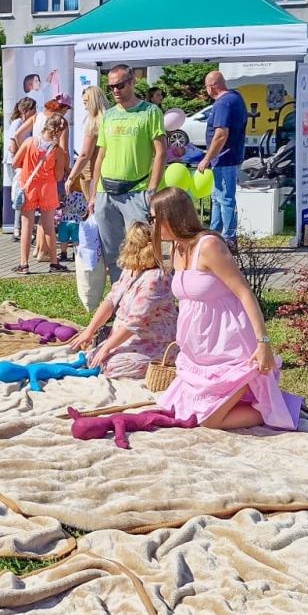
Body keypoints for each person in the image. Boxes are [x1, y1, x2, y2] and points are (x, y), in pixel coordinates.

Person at [150, 188, 302, 431]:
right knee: (182, 411)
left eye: (154, 218)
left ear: (170, 217)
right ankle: (264, 402)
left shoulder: (208, 245)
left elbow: (244, 292)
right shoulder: (177, 248)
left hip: (229, 344)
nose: (152, 225)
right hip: (200, 350)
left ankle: (279, 407)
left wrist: (263, 342)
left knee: (210, 420)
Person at [69, 222, 176, 380]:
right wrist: (89, 331)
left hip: (154, 342)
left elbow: (134, 322)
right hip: (128, 339)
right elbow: (110, 301)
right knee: (94, 357)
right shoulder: (130, 270)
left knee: (111, 365)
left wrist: (106, 348)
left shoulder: (155, 278)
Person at [91, 65, 166, 282]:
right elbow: (101, 155)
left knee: (141, 251)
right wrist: (93, 194)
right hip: (106, 192)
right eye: (111, 87)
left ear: (133, 83)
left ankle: (144, 293)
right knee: (112, 253)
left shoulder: (150, 112)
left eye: (120, 85)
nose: (115, 90)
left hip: (136, 191)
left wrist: (151, 190)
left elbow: (161, 152)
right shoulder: (109, 116)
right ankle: (119, 293)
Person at [12, 110, 69, 274]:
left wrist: (28, 167)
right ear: (58, 131)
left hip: (29, 186)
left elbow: (15, 163)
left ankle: (24, 264)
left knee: (26, 226)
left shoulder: (29, 142)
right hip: (48, 188)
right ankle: (54, 263)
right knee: (49, 226)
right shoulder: (58, 151)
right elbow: (59, 176)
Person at [198, 71, 248, 241]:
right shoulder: (235, 97)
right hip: (229, 157)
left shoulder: (223, 103)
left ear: (211, 87)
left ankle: (228, 239)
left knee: (225, 199)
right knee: (217, 198)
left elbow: (221, 135)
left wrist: (207, 158)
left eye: (206, 87)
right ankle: (214, 233)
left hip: (224, 158)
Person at [65, 84, 108, 208]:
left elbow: (85, 154)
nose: (85, 107)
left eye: (86, 103)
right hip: (110, 173)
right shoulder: (111, 119)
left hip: (93, 174)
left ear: (93, 102)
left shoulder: (94, 122)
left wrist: (71, 178)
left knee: (94, 210)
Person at [3, 95, 39, 237]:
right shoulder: (17, 123)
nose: (36, 112)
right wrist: (22, 157)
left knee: (23, 194)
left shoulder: (27, 124)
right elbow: (13, 146)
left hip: (21, 162)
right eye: (33, 109)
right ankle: (18, 228)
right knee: (20, 194)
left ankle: (21, 227)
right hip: (16, 163)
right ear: (25, 110)